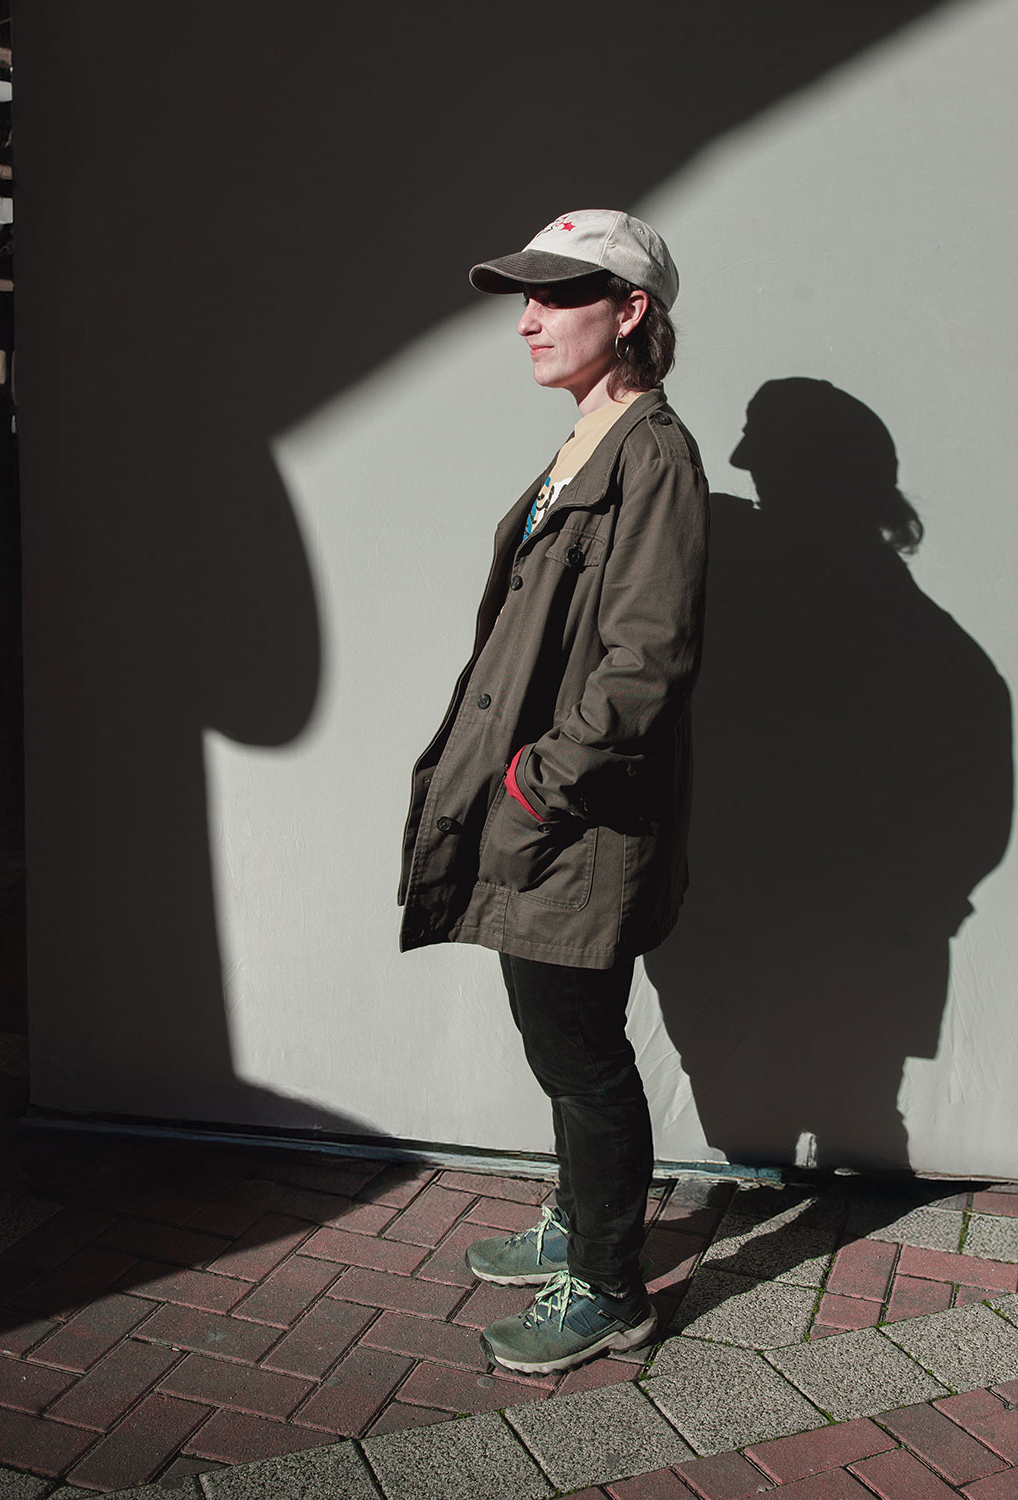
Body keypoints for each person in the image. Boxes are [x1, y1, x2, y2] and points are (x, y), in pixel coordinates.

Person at [397, 210, 709, 1374]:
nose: (529, 320)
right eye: (524, 298)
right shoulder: (589, 441)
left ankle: (613, 1289)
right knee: (561, 1043)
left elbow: (645, 662)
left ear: (631, 311)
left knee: (581, 1055)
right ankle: (580, 1222)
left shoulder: (652, 456)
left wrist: (538, 786)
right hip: (550, 815)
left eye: (560, 295)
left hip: (578, 821)